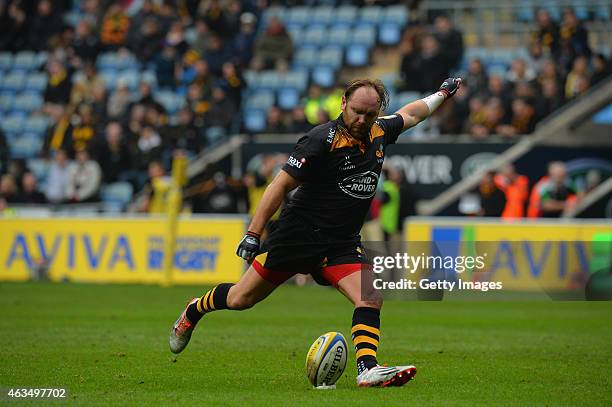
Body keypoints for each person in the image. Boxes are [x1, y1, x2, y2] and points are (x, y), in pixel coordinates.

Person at [168, 77, 462, 387]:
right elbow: (279, 185)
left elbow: (413, 113)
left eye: (370, 115)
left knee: (371, 296)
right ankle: (194, 309)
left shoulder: (380, 132)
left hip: (340, 242)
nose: (362, 120)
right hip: (298, 236)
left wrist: (442, 94)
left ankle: (367, 368)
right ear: (344, 104)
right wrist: (253, 233)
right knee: (241, 298)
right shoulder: (320, 140)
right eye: (357, 112)